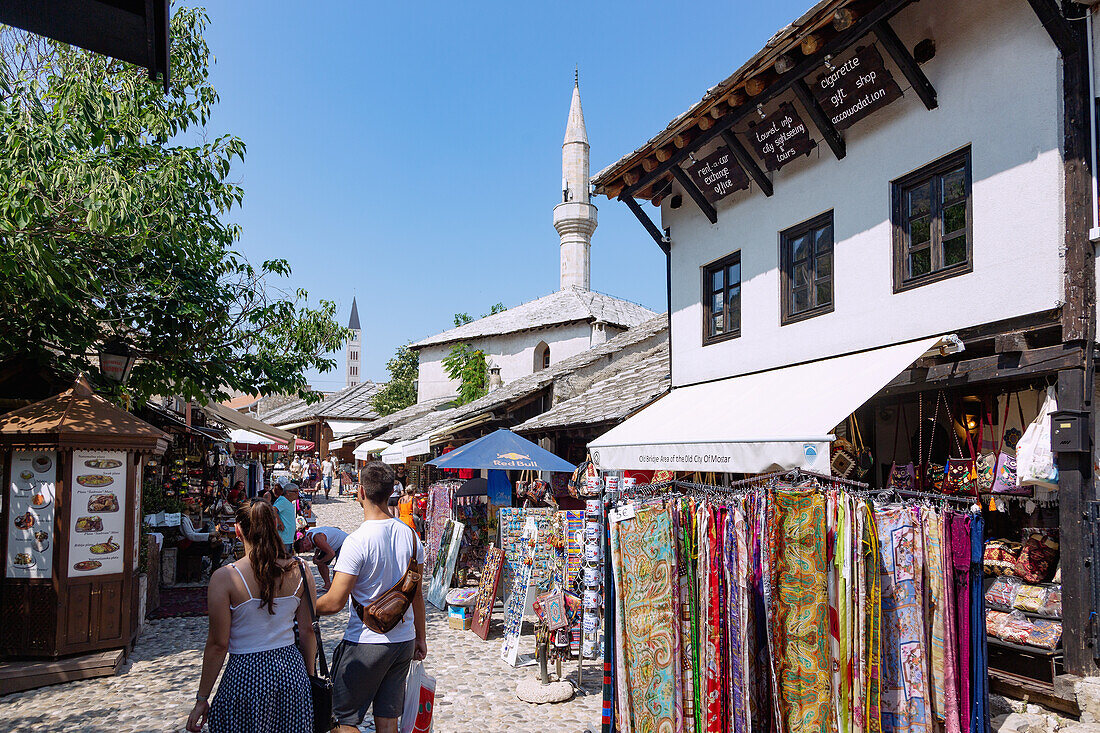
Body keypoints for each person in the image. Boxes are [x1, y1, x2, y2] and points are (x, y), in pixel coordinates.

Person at [186, 500, 317, 733]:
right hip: (290, 670)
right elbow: (307, 631)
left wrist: (202, 697)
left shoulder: (225, 578)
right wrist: (308, 677)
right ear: (276, 525)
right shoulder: (301, 569)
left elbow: (218, 644)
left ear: (238, 530)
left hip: (245, 674)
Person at [317, 462, 427, 733]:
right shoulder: (412, 537)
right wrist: (421, 637)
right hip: (402, 642)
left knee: (345, 719)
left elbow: (334, 602)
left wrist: (301, 604)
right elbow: (417, 596)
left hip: (365, 642)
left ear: (360, 492)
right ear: (391, 491)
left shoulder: (357, 541)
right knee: (388, 719)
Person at [296, 525, 348, 591]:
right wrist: (316, 556)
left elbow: (331, 553)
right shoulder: (308, 536)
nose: (308, 550)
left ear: (304, 543)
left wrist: (320, 561)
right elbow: (318, 546)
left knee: (338, 567)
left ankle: (336, 587)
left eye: (305, 550)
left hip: (343, 542)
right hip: (331, 545)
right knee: (320, 564)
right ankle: (328, 584)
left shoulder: (317, 538)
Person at [180, 513, 223, 581]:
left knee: (209, 525)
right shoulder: (183, 519)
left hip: (192, 544)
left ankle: (214, 569)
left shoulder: (185, 518)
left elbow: (193, 531)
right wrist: (209, 534)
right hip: (189, 547)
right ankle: (214, 570)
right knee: (219, 546)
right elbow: (191, 536)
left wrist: (206, 531)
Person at [272, 483, 297, 555]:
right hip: (284, 538)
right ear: (288, 493)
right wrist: (279, 523)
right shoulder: (283, 501)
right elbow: (273, 510)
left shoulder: (287, 502)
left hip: (287, 538)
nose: (297, 494)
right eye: (295, 492)